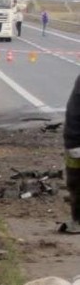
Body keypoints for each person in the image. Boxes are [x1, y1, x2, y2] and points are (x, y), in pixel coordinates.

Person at [61, 74, 80, 234]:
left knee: (75, 182)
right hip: (75, 141)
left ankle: (77, 220)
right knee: (75, 182)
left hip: (73, 141)